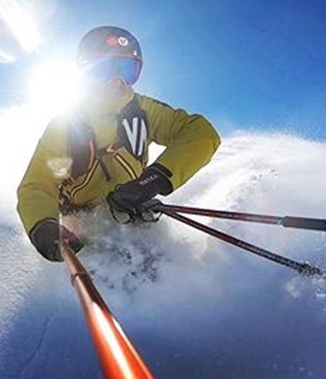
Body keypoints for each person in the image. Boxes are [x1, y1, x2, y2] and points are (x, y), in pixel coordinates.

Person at [17, 26, 221, 261]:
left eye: (127, 70)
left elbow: (202, 134)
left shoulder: (144, 111)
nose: (118, 82)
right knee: (109, 275)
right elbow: (37, 184)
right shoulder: (66, 124)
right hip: (83, 225)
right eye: (104, 70)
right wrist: (43, 225)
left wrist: (152, 181)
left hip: (133, 209)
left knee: (166, 267)